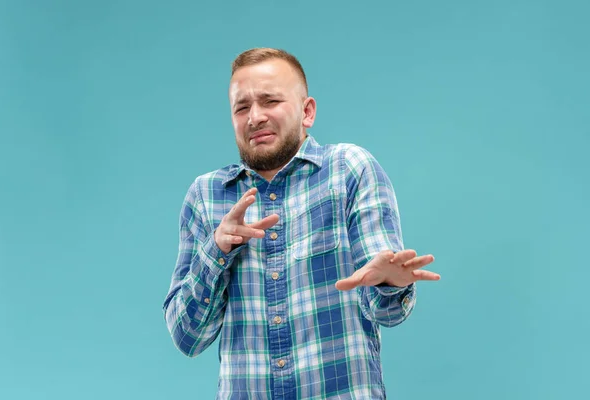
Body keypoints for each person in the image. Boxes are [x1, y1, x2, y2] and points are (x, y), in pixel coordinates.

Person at [163, 47, 441, 399]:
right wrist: (216, 251)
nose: (255, 117)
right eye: (242, 107)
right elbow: (188, 338)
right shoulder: (206, 196)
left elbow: (386, 310)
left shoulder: (349, 169)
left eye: (270, 101)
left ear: (307, 112)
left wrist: (390, 282)